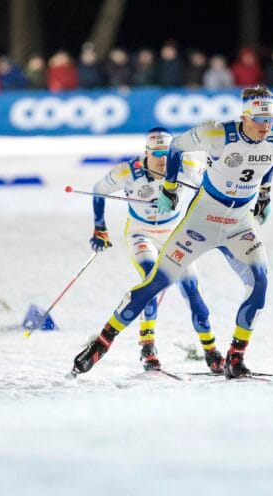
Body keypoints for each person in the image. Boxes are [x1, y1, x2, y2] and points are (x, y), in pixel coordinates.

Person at [72, 85, 273, 379]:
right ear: (245, 116)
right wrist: (170, 189)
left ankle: (234, 358)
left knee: (260, 284)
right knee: (156, 282)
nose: (266, 126)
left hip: (239, 224)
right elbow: (176, 146)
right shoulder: (217, 133)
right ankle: (103, 341)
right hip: (201, 222)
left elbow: (269, 158)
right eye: (260, 120)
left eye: (270, 119)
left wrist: (264, 194)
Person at [89, 127, 224, 373]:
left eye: (168, 153)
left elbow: (213, 190)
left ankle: (212, 351)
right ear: (146, 153)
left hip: (175, 235)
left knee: (193, 294)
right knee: (152, 282)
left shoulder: (189, 167)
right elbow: (98, 190)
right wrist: (100, 229)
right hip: (142, 234)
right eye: (158, 154)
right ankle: (147, 346)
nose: (164, 160)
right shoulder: (127, 172)